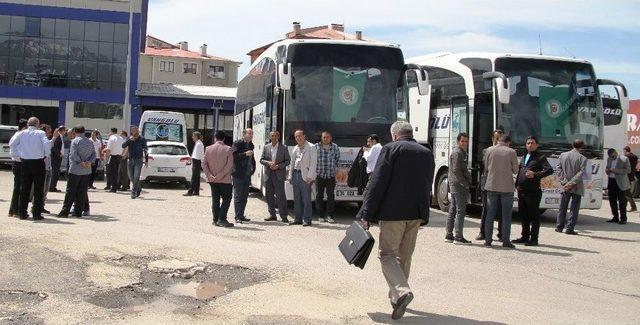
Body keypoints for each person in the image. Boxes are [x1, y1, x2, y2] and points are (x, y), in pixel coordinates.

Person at [356, 121, 434, 320]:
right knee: (404, 257)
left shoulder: (391, 149)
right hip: (416, 214)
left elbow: (378, 182)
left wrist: (366, 213)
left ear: (394, 135)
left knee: (387, 255)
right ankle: (397, 296)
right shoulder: (426, 152)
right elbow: (427, 184)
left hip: (393, 214)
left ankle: (401, 291)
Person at [512, 136, 553, 246]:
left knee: (533, 215)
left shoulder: (540, 157)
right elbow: (521, 170)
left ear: (537, 145)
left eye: (532, 143)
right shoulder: (525, 156)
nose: (530, 145)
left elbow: (549, 170)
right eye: (528, 143)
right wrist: (517, 184)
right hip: (522, 190)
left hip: (533, 191)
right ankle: (524, 236)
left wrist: (535, 175)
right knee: (523, 214)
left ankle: (534, 238)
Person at [10, 117, 50, 220]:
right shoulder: (41, 133)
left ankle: (22, 213)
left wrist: (18, 155)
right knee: (38, 189)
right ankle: (36, 214)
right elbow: (46, 143)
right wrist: (46, 154)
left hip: (25, 162)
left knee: (24, 188)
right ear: (37, 124)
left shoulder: (22, 133)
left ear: (28, 124)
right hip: (38, 162)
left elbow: (12, 144)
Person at [483, 134, 518, 248]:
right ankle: (506, 241)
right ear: (508, 142)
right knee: (506, 215)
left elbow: (486, 167)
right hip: (507, 187)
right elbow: (515, 170)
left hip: (492, 185)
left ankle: (488, 241)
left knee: (490, 214)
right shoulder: (512, 152)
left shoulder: (489, 150)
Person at [57, 126, 95, 218]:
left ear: (75, 132)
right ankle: (78, 212)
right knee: (82, 191)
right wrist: (88, 162)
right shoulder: (90, 141)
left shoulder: (75, 141)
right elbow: (94, 154)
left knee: (70, 191)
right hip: (86, 170)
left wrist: (81, 162)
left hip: (75, 169)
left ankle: (65, 211)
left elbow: (74, 155)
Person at [476, 129, 504, 241]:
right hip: (487, 183)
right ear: (493, 139)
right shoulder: (486, 151)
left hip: (501, 184)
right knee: (486, 209)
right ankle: (483, 233)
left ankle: (502, 234)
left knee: (501, 210)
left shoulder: (506, 151)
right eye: (496, 139)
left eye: (500, 139)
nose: (498, 141)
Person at [556, 139, 588, 235]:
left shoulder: (563, 155)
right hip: (576, 186)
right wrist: (571, 183)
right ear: (582, 146)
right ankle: (569, 228)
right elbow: (581, 173)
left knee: (562, 207)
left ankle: (559, 226)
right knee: (574, 208)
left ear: (572, 145)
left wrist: (565, 182)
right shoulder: (583, 158)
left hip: (564, 186)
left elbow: (558, 169)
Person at [203, 131, 234, 227]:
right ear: (224, 138)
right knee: (227, 199)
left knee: (215, 200)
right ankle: (222, 218)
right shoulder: (228, 149)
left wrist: (210, 175)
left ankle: (215, 219)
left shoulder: (208, 149)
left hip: (212, 180)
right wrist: (220, 176)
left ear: (215, 138)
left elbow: (203, 164)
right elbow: (229, 166)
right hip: (224, 180)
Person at [446, 132, 472, 244]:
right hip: (458, 185)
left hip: (456, 184)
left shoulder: (461, 152)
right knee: (460, 211)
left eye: (466, 141)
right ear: (458, 141)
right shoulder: (457, 153)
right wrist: (464, 183)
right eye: (462, 141)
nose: (464, 143)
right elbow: (456, 170)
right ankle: (458, 236)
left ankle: (449, 235)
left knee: (453, 209)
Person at [260, 130, 290, 222]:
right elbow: (261, 160)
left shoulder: (284, 147)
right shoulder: (266, 147)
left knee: (281, 196)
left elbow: (287, 161)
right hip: (268, 174)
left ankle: (284, 216)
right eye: (272, 136)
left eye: (275, 136)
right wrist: (269, 163)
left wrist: (278, 166)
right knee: (269, 196)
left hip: (279, 174)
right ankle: (272, 214)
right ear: (269, 137)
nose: (273, 137)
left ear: (278, 137)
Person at [288, 130, 317, 226]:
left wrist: (310, 176)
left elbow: (313, 163)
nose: (298, 138)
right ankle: (297, 219)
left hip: (305, 176)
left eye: (300, 136)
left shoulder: (311, 147)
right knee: (296, 199)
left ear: (304, 136)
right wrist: (290, 175)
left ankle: (307, 220)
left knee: (306, 199)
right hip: (295, 174)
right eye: (296, 137)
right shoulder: (295, 148)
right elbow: (292, 163)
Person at [315, 131, 340, 223]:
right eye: (324, 137)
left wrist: (333, 169)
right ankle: (321, 216)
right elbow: (313, 159)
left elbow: (337, 159)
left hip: (331, 176)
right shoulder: (316, 146)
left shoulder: (335, 147)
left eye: (327, 137)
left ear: (331, 138)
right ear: (321, 138)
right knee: (319, 196)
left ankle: (330, 216)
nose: (326, 139)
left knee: (331, 196)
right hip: (319, 175)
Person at [231, 128, 255, 223]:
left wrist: (253, 169)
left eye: (252, 134)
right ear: (244, 134)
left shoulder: (251, 145)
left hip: (247, 173)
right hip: (238, 173)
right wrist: (245, 154)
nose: (251, 135)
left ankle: (241, 215)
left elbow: (252, 158)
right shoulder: (237, 143)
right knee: (238, 195)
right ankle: (237, 216)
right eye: (249, 133)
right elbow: (234, 156)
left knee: (245, 196)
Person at [605, 148, 631, 224]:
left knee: (622, 201)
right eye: (610, 156)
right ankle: (615, 217)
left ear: (616, 153)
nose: (611, 158)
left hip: (620, 183)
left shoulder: (624, 159)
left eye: (612, 156)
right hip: (611, 181)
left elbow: (628, 170)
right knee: (612, 201)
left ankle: (623, 218)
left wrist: (615, 170)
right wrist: (607, 170)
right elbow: (607, 167)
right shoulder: (609, 159)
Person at [8, 119, 28, 218]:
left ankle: (14, 210)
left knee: (20, 188)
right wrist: (20, 157)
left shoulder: (22, 135)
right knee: (19, 188)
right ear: (24, 127)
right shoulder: (19, 135)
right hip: (19, 163)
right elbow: (12, 146)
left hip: (21, 163)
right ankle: (15, 210)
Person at [122, 126, 148, 199]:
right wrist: (129, 140)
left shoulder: (142, 139)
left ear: (138, 131)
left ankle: (133, 192)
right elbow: (123, 145)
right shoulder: (129, 138)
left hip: (138, 160)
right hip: (130, 160)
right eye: (132, 130)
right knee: (131, 177)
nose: (133, 131)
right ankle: (138, 188)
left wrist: (146, 160)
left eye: (135, 130)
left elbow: (146, 149)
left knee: (136, 176)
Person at [185, 131, 205, 196]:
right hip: (196, 161)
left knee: (194, 177)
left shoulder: (199, 144)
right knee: (196, 177)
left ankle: (190, 191)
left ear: (196, 136)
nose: (192, 137)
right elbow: (196, 154)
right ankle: (196, 191)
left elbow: (200, 154)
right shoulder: (198, 143)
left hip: (197, 161)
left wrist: (202, 163)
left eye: (193, 136)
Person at [105, 128, 123, 193]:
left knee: (111, 172)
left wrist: (107, 160)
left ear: (111, 131)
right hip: (119, 156)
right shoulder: (121, 138)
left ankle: (113, 188)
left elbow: (108, 150)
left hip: (112, 156)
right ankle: (116, 186)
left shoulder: (111, 138)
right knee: (116, 172)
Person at [49, 125, 66, 192]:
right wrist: (59, 154)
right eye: (65, 130)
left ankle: (53, 186)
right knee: (55, 173)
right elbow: (54, 148)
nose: (65, 132)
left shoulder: (60, 137)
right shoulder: (58, 137)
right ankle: (52, 187)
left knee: (56, 173)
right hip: (55, 158)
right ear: (62, 130)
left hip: (58, 158)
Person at [623, 146, 637, 212]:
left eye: (624, 151)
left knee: (627, 193)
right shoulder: (635, 157)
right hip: (632, 177)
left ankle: (633, 207)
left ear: (625, 150)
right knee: (626, 192)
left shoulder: (626, 157)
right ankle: (623, 206)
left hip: (626, 177)